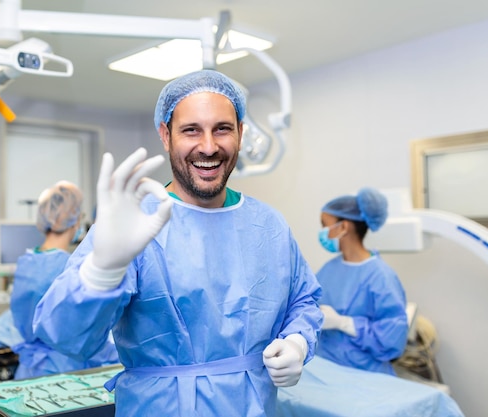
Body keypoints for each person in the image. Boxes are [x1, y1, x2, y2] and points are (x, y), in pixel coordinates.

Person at [32, 70, 323, 416]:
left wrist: (298, 341)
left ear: (241, 134)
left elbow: (303, 300)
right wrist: (101, 271)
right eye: (191, 130)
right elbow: (64, 337)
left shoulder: (268, 224)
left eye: (222, 129)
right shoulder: (134, 225)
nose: (209, 146)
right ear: (165, 135)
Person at [0, 180, 119, 380]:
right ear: (76, 220)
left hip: (29, 369)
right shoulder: (69, 268)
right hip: (63, 371)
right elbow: (79, 333)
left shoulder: (27, 261)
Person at [315, 187, 408, 375]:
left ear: (344, 227)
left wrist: (344, 323)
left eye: (325, 225)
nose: (323, 233)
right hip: (326, 371)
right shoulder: (329, 269)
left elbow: (393, 338)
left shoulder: (380, 276)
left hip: (365, 376)